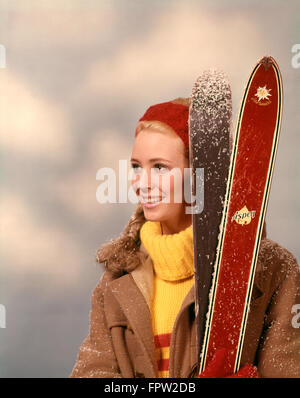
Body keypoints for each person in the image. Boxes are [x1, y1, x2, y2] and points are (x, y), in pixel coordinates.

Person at [70, 97, 300, 378]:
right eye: (135, 166)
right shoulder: (117, 280)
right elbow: (92, 373)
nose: (141, 182)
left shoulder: (272, 270)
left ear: (202, 177)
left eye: (159, 167)